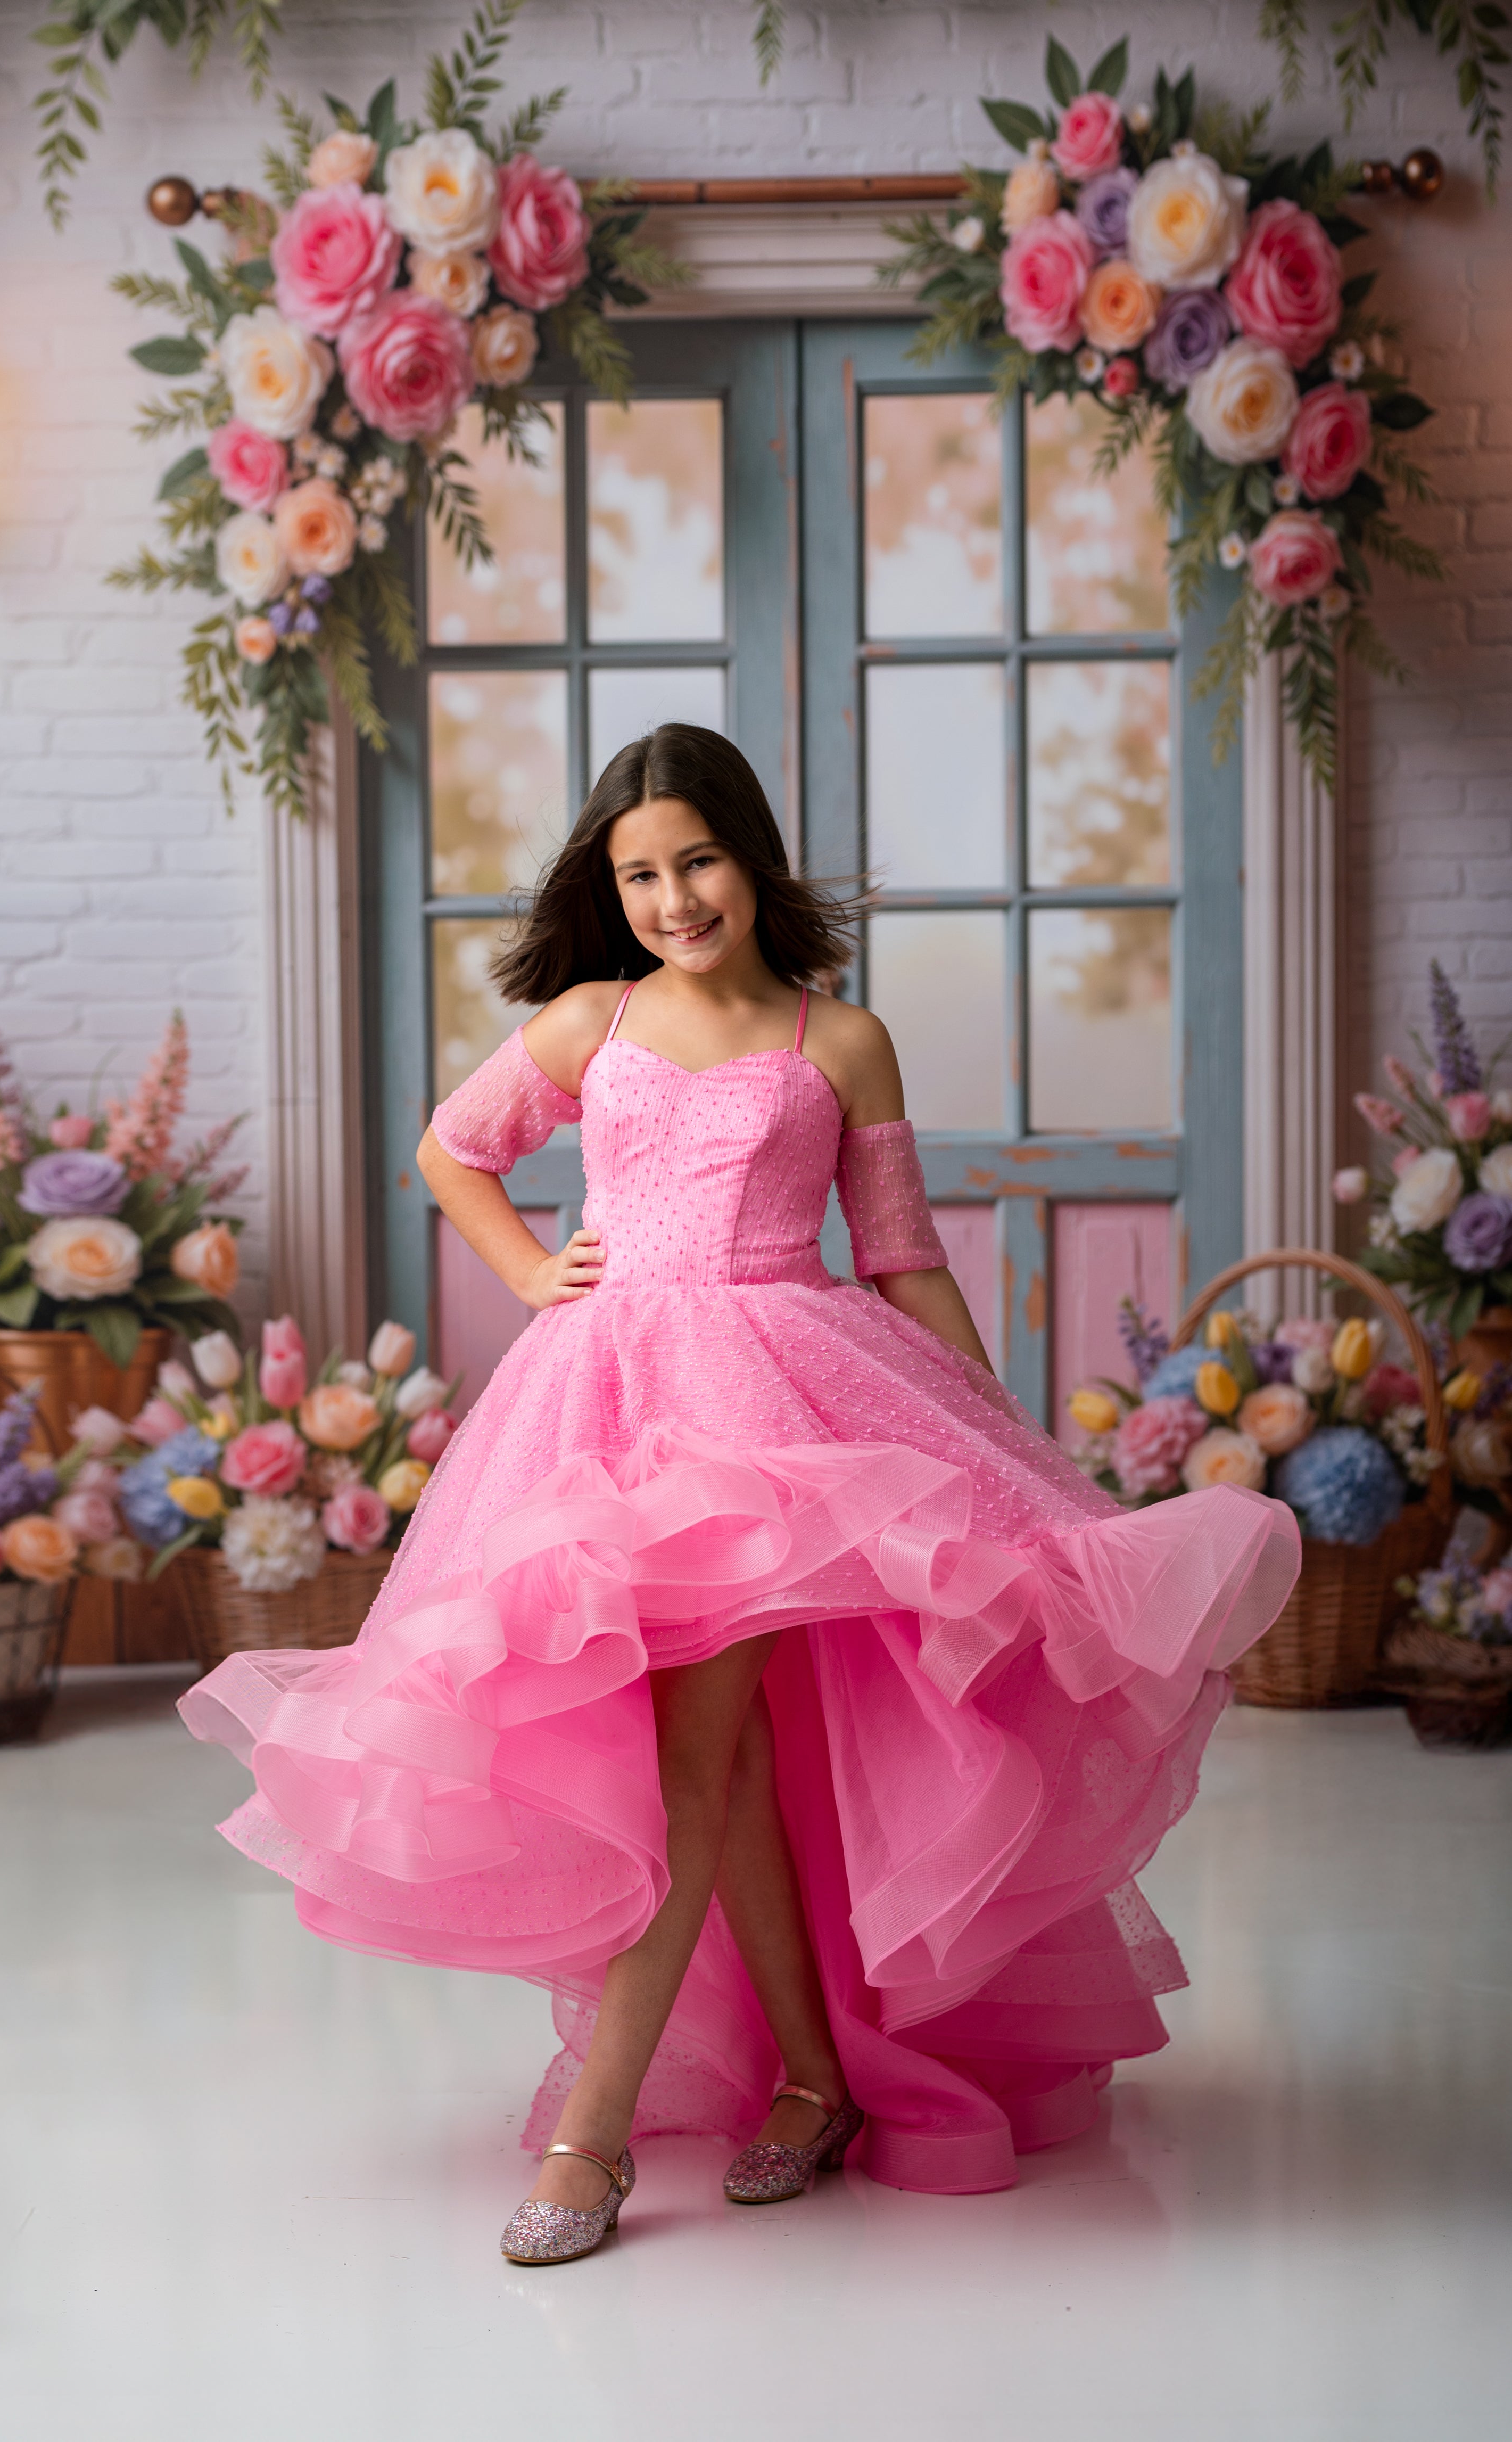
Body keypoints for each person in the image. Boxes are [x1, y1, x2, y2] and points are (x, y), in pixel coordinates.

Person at [180, 725, 1299, 2266]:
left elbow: (899, 1255)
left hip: (781, 1409)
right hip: (611, 1411)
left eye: (694, 860)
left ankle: (599, 2132)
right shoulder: (593, 1021)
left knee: (695, 1758)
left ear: (750, 858)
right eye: (637, 873)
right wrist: (526, 1269)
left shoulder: (836, 1043)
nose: (670, 897)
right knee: (724, 1765)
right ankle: (816, 2078)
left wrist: (990, 1440)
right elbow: (450, 1149)